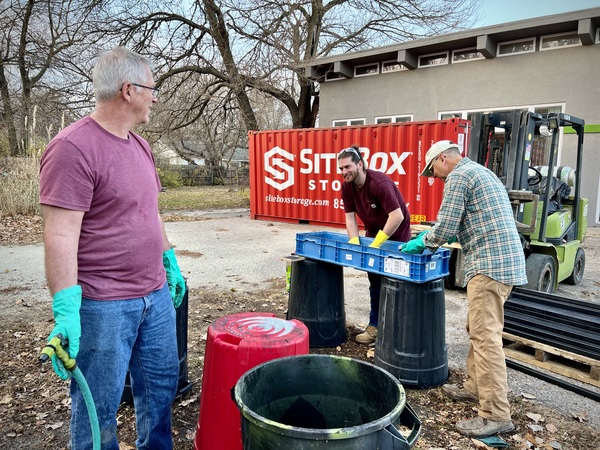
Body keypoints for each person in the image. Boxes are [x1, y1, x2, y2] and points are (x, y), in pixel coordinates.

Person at [39, 47, 186, 450]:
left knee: (160, 392)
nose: (155, 97)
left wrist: (168, 262)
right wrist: (66, 309)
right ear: (129, 90)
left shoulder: (141, 146)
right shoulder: (72, 148)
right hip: (104, 306)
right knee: (97, 409)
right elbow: (60, 235)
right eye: (152, 89)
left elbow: (150, 213)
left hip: (154, 298)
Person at [401, 140, 527, 438]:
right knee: (478, 327)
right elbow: (464, 221)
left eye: (434, 171)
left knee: (485, 338)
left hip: (488, 266)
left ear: (443, 159)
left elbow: (445, 227)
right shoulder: (481, 172)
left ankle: (496, 414)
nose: (437, 178)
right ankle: (474, 387)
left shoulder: (459, 176)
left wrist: (423, 242)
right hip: (503, 264)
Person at [337, 145, 411, 344]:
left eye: (347, 167)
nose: (344, 172)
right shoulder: (346, 186)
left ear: (360, 164)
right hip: (373, 236)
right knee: (375, 283)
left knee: (395, 284)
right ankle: (375, 327)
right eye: (341, 169)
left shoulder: (379, 183)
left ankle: (397, 332)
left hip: (396, 237)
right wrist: (354, 242)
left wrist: (378, 242)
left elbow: (397, 216)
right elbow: (350, 218)